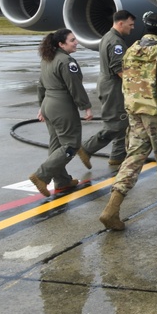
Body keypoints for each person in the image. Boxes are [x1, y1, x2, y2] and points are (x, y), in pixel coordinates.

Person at [99, 11, 157, 231]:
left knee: (133, 158)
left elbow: (127, 83)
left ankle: (111, 209)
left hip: (136, 114)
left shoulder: (132, 49)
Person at [30, 29, 93, 197]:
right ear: (61, 44)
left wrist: (41, 106)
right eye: (72, 40)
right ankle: (42, 175)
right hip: (62, 106)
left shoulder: (47, 59)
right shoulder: (66, 62)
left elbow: (41, 85)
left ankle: (62, 181)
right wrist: (86, 106)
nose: (76, 42)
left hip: (49, 104)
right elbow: (75, 87)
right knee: (71, 145)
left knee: (56, 144)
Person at [78, 9, 135, 169]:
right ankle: (87, 148)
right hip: (113, 87)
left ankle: (117, 157)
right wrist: (135, 86)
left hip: (110, 84)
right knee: (115, 124)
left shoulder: (109, 37)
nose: (132, 28)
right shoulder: (116, 42)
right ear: (120, 23)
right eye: (130, 25)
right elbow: (118, 68)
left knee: (124, 122)